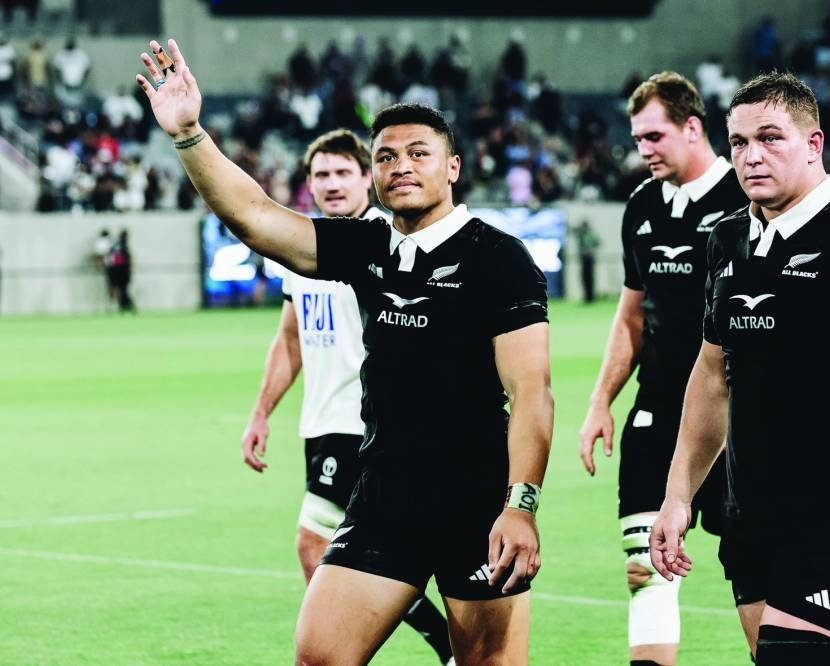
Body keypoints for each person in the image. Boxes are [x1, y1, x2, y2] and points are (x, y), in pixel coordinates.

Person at [137, 39, 553, 666]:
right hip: (385, 493)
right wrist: (190, 133)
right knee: (320, 655)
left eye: (419, 153)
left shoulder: (500, 259)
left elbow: (532, 393)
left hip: (476, 498)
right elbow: (254, 217)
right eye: (386, 156)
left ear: (453, 168)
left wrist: (521, 505)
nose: (401, 166)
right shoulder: (368, 246)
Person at [650, 71, 830, 666]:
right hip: (749, 512)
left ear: (814, 144)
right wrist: (678, 495)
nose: (751, 156)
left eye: (770, 138)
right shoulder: (727, 239)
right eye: (737, 142)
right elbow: (711, 377)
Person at [240, 128, 454, 664]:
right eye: (321, 175)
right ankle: (439, 641)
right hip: (320, 423)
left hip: (365, 425)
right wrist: (261, 412)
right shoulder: (301, 249)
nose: (332, 185)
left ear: (367, 179)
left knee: (316, 545)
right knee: (365, 551)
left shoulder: (388, 245)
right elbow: (290, 339)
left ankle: (415, 643)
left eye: (343, 173)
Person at [578, 70, 747, 666]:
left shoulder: (747, 200)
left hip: (738, 417)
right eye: (637, 139)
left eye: (654, 136)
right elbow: (630, 318)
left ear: (693, 127)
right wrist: (601, 400)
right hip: (656, 413)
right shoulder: (642, 207)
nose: (642, 150)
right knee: (645, 568)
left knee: (756, 567)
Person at [107, 229, 134, 312]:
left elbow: (110, 259)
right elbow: (128, 259)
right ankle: (126, 306)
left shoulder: (114, 245)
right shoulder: (123, 245)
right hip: (122, 270)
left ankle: (122, 306)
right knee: (123, 289)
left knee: (118, 289)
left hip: (113, 270)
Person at [574, 219, 601, 304]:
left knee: (589, 278)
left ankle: (591, 297)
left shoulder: (590, 234)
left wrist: (590, 248)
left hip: (589, 258)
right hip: (583, 259)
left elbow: (597, 242)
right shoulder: (581, 234)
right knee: (584, 278)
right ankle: (587, 297)